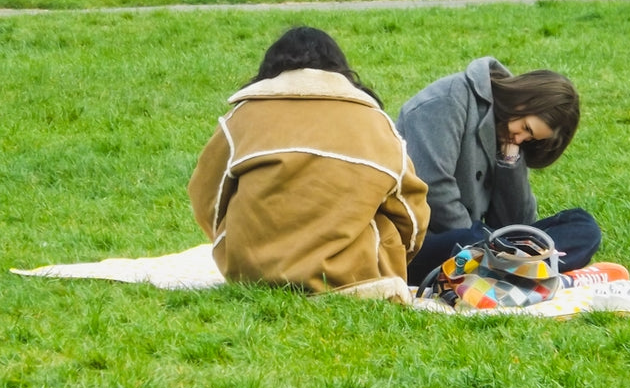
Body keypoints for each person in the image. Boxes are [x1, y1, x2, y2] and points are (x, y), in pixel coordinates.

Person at [188, 26, 430, 298]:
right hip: (349, 276)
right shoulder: (376, 124)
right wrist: (396, 259)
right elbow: (411, 214)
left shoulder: (241, 119)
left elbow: (206, 197)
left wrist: (229, 242)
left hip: (250, 272)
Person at [396, 56, 601, 284]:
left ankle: (508, 270)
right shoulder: (446, 101)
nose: (521, 137)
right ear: (522, 99)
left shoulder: (510, 130)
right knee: (472, 236)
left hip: (480, 244)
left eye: (530, 137)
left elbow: (518, 223)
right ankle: (518, 270)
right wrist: (485, 246)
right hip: (419, 244)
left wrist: (509, 161)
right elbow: (433, 188)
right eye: (525, 128)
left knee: (583, 226)